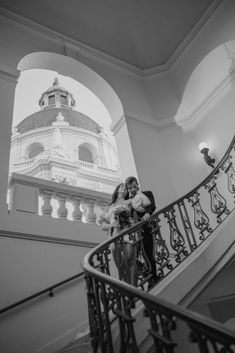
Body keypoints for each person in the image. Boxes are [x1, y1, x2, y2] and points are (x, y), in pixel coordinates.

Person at [125, 176, 160, 290]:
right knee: (132, 257)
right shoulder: (128, 201)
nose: (133, 189)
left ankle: (153, 279)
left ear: (137, 185)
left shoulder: (147, 194)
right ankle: (147, 274)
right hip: (134, 233)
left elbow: (152, 206)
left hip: (146, 228)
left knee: (148, 254)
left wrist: (148, 213)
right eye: (130, 188)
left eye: (134, 186)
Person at [98, 183, 137, 286]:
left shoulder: (130, 201)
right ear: (117, 190)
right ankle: (127, 287)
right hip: (114, 235)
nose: (124, 188)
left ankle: (134, 287)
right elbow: (102, 225)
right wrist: (112, 225)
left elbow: (139, 208)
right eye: (121, 186)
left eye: (125, 187)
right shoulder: (108, 207)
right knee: (119, 264)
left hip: (127, 233)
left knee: (129, 258)